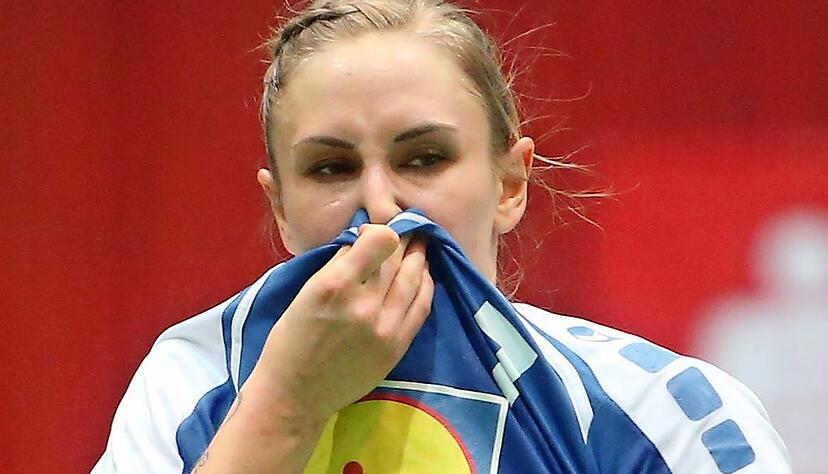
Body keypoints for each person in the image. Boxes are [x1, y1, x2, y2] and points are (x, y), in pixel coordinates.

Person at [92, 1, 792, 472]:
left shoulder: (657, 411)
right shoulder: (193, 382)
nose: (380, 205)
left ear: (511, 185)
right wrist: (285, 405)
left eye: (423, 158)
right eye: (331, 167)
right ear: (280, 209)